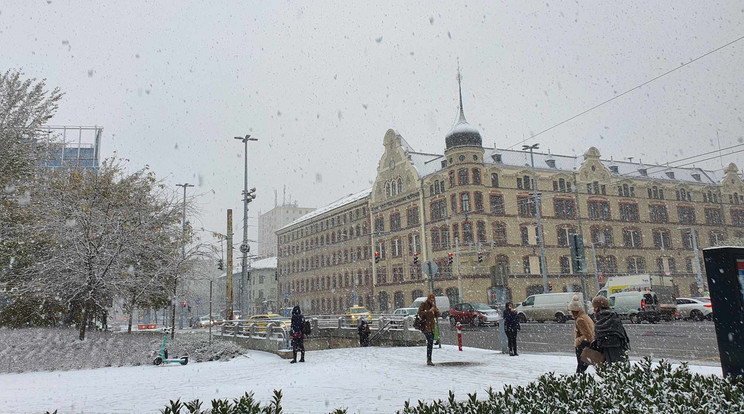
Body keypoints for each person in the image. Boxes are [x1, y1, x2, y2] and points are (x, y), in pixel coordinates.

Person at [592, 296, 630, 364]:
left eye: (594, 307)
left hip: (606, 351)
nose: (593, 309)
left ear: (598, 307)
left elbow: (598, 336)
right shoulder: (613, 315)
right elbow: (622, 333)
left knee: (610, 369)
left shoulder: (600, 318)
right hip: (619, 348)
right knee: (620, 368)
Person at [568, 295, 594, 373]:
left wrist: (578, 341)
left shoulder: (580, 320)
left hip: (583, 346)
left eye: (570, 311)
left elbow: (588, 335)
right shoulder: (585, 317)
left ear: (574, 311)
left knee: (580, 368)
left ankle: (579, 382)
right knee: (582, 367)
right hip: (585, 346)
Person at [417, 293, 441, 366]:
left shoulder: (433, 305)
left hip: (432, 327)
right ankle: (429, 359)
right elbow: (420, 313)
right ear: (428, 298)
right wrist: (428, 311)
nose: (432, 300)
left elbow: (438, 315)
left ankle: (429, 359)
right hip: (426, 326)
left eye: (433, 299)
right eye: (431, 298)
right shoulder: (424, 304)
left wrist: (436, 311)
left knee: (430, 343)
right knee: (430, 341)